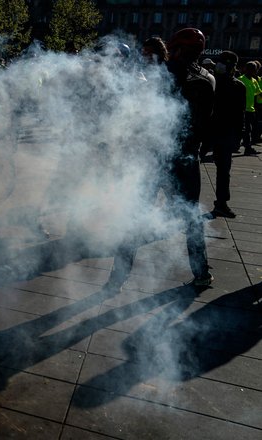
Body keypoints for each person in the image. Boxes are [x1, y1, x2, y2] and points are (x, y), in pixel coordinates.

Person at [107, 28, 215, 290]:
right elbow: (204, 124)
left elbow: (143, 113)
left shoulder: (164, 72)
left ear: (176, 47)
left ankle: (117, 278)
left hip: (158, 155)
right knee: (191, 217)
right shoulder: (208, 78)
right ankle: (201, 273)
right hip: (189, 156)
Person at [211, 51, 246, 218]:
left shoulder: (239, 86)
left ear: (232, 67)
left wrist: (238, 137)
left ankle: (221, 203)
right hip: (206, 131)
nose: (220, 66)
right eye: (220, 62)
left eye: (224, 63)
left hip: (224, 133)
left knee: (224, 170)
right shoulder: (210, 81)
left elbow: (240, 115)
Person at [238, 61, 261, 155]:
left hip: (251, 109)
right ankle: (247, 148)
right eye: (252, 69)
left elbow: (258, 92)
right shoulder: (240, 80)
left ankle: (246, 147)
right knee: (247, 130)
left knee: (249, 129)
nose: (254, 71)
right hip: (243, 109)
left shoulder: (254, 80)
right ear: (246, 69)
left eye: (255, 70)